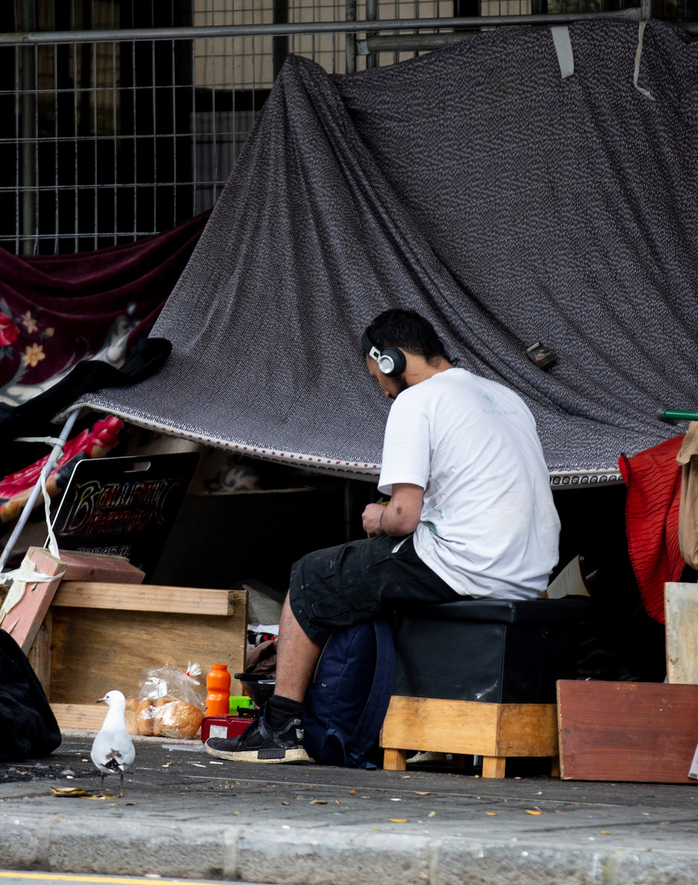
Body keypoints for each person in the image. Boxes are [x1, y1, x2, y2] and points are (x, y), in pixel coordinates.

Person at [207, 308, 560, 763]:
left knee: (311, 576)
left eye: (377, 376)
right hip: (529, 573)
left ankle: (280, 728)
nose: (382, 387)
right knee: (375, 579)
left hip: (467, 564)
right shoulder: (504, 396)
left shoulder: (417, 401)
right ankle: (419, 732)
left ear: (390, 359)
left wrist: (377, 518)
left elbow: (404, 516)